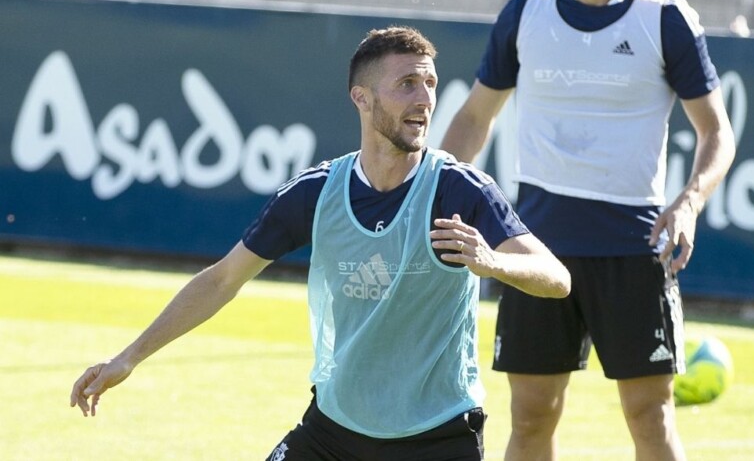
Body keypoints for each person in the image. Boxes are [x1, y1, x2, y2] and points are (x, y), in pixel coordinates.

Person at [70, 26, 571, 461]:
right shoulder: (316, 193)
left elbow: (557, 279)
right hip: (334, 433)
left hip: (438, 438)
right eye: (407, 84)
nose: (424, 99)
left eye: (430, 83)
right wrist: (128, 357)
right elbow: (223, 279)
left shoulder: (460, 190)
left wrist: (495, 263)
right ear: (362, 97)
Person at [440, 0, 736, 461]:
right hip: (533, 249)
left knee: (650, 418)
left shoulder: (664, 20)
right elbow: (475, 118)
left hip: (634, 249)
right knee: (531, 418)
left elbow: (716, 133)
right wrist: (431, 195)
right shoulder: (525, 14)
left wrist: (688, 203)